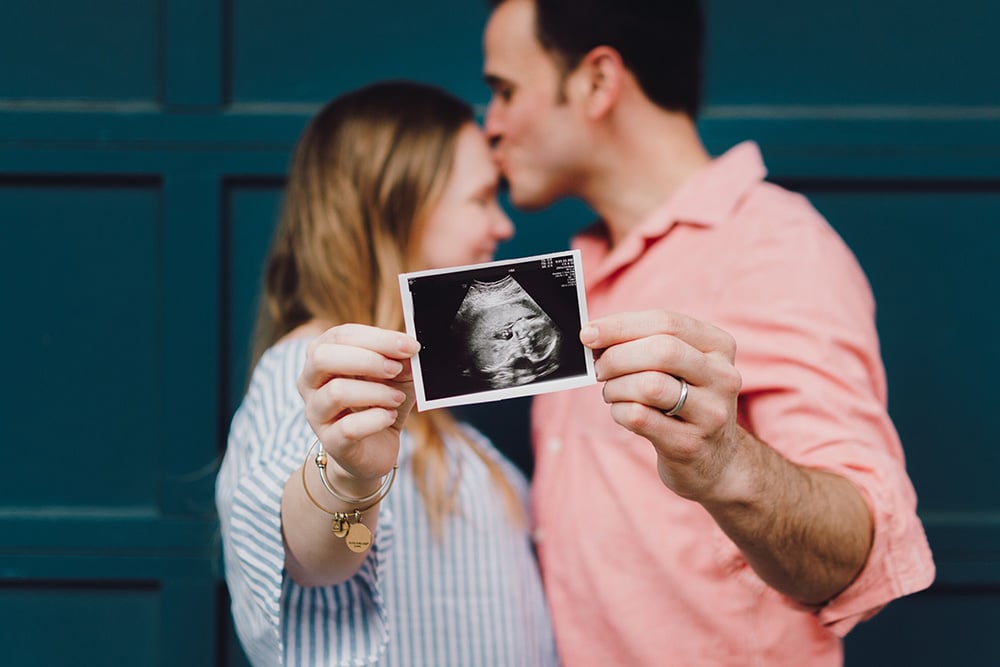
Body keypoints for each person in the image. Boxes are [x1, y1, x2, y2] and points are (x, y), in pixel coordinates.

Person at [481, 0, 935, 665]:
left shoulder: (772, 247)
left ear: (598, 82)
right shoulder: (576, 276)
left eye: (505, 90)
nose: (490, 125)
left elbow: (857, 553)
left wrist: (723, 461)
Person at [216, 80, 558, 667]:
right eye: (480, 199)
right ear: (394, 209)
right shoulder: (312, 378)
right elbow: (311, 557)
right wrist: (348, 476)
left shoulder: (425, 407)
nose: (502, 227)